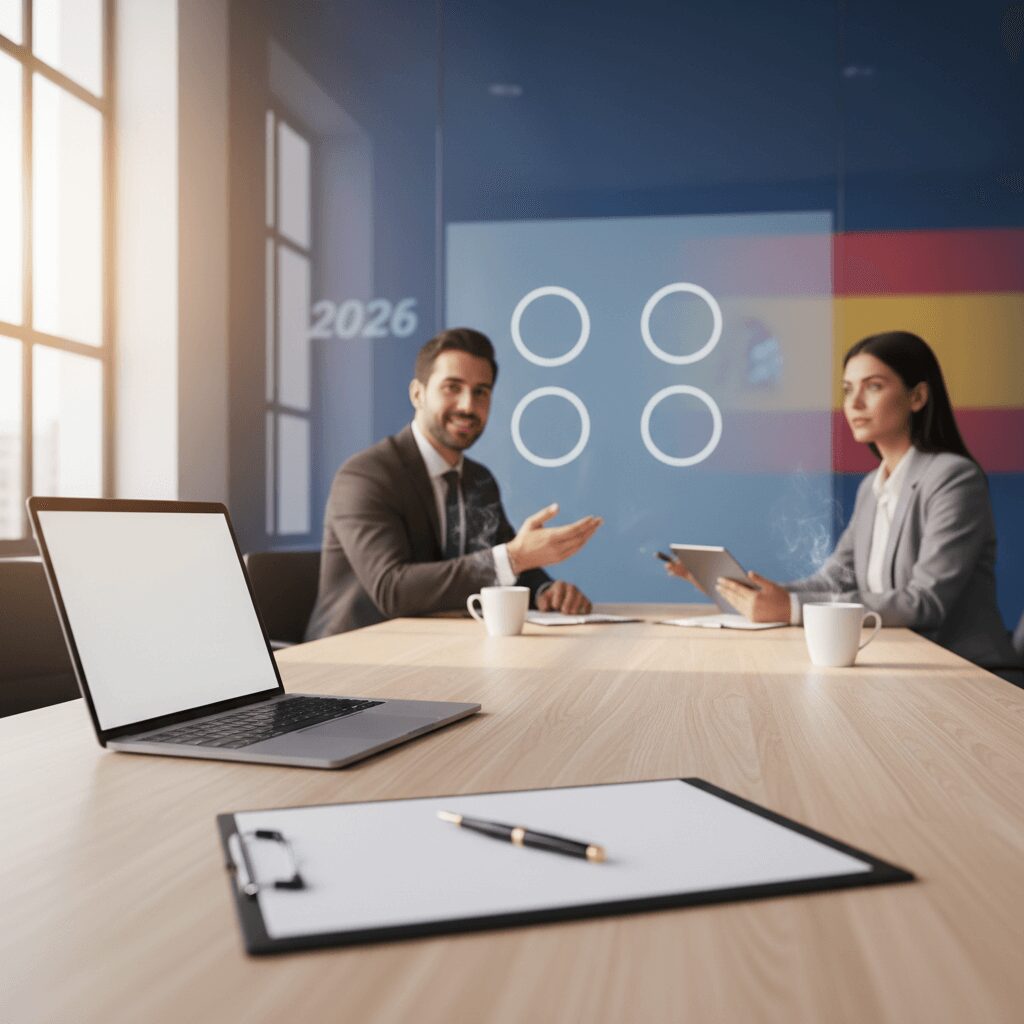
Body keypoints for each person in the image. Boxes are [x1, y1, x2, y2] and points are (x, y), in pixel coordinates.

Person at [665, 331, 1017, 672]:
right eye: (848, 390)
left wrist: (792, 608)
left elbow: (925, 602)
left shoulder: (954, 478)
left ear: (917, 397)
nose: (854, 403)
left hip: (969, 672)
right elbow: (834, 581)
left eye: (873, 386)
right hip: (901, 665)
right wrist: (742, 591)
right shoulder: (872, 486)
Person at [305, 327, 602, 639]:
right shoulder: (366, 475)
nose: (467, 406)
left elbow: (503, 561)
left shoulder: (479, 480)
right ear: (417, 394)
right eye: (452, 387)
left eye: (481, 392)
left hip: (438, 645)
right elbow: (392, 589)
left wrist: (546, 590)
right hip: (353, 652)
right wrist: (516, 556)